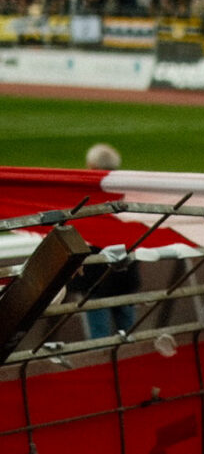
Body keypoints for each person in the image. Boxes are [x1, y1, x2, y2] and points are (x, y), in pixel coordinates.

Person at [74, 144, 139, 337]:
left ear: (91, 165)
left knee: (98, 337)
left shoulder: (85, 194)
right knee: (128, 334)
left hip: (95, 277)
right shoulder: (130, 193)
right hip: (124, 274)